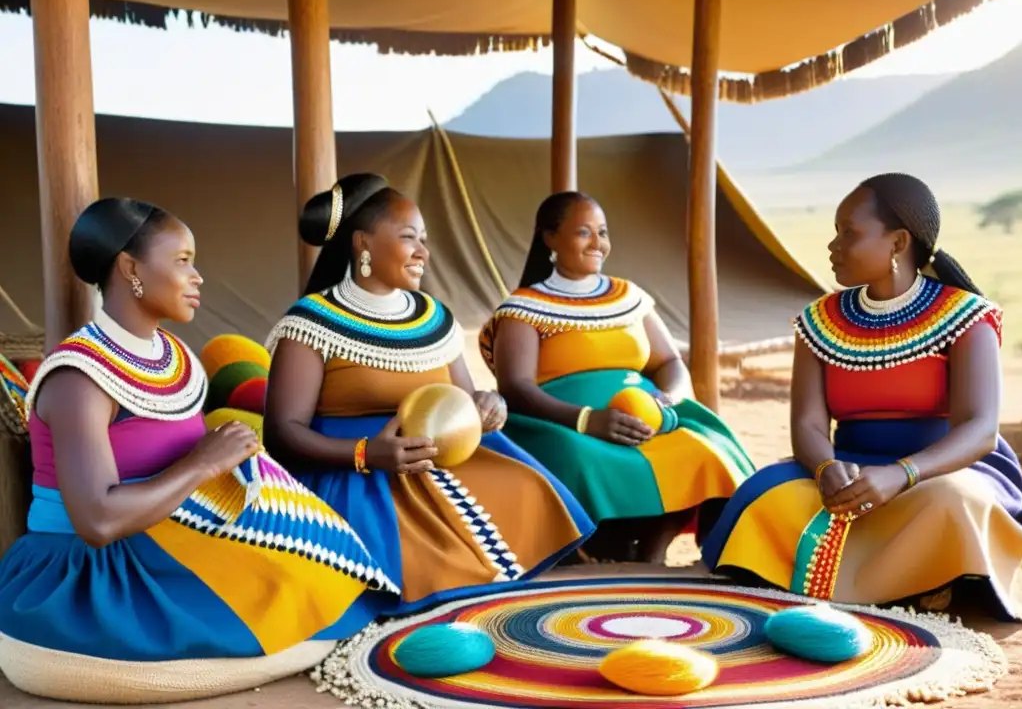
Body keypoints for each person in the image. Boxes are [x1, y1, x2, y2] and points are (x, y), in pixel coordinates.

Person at [0, 199, 397, 702]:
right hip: (88, 578)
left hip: (171, 538)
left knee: (333, 584)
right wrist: (206, 461)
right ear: (131, 269)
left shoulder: (174, 357)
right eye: (183, 260)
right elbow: (97, 521)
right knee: (302, 618)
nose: (199, 277)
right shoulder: (79, 378)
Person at [262, 174, 593, 615]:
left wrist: (488, 406)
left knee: (526, 486)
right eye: (407, 238)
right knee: (395, 555)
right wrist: (365, 453)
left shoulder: (433, 317)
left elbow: (467, 398)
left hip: (440, 458)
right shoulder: (312, 321)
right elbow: (282, 430)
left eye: (424, 239)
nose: (423, 252)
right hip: (352, 466)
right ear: (363, 243)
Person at [701, 173, 1022, 620]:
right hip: (848, 466)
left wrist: (900, 474)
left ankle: (917, 578)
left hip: (943, 467)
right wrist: (826, 467)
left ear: (897, 243)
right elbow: (809, 426)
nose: (833, 246)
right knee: (768, 496)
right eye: (835, 231)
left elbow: (980, 430)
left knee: (953, 500)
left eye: (848, 233)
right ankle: (919, 582)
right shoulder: (819, 320)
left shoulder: (967, 317)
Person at [478, 191, 755, 564]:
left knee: (702, 447)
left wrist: (667, 400)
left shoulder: (629, 297)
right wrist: (586, 420)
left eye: (602, 232)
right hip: (562, 424)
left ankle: (655, 555)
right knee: (579, 457)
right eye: (583, 232)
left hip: (645, 418)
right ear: (550, 239)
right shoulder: (524, 308)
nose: (598, 243)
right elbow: (516, 387)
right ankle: (596, 550)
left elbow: (670, 361)